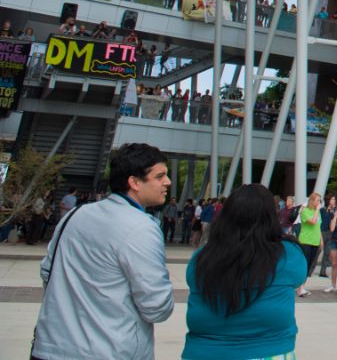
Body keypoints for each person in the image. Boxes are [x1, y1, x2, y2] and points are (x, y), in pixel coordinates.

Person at [32, 143, 174, 360]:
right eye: (160, 176)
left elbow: (47, 272)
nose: (168, 182)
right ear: (134, 182)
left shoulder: (74, 215)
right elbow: (156, 307)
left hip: (50, 348)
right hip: (109, 351)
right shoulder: (141, 227)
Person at [183, 183, 306, 359]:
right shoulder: (288, 254)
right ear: (270, 216)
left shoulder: (202, 257)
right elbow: (299, 277)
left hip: (204, 352)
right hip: (269, 351)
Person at [296, 192, 323, 296]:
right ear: (312, 201)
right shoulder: (305, 211)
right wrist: (316, 210)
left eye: (320, 200)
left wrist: (321, 240)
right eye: (317, 200)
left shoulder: (318, 212)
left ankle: (302, 286)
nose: (319, 202)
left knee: (310, 265)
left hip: (315, 241)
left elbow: (318, 226)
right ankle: (300, 287)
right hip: (306, 240)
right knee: (304, 264)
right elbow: (312, 221)